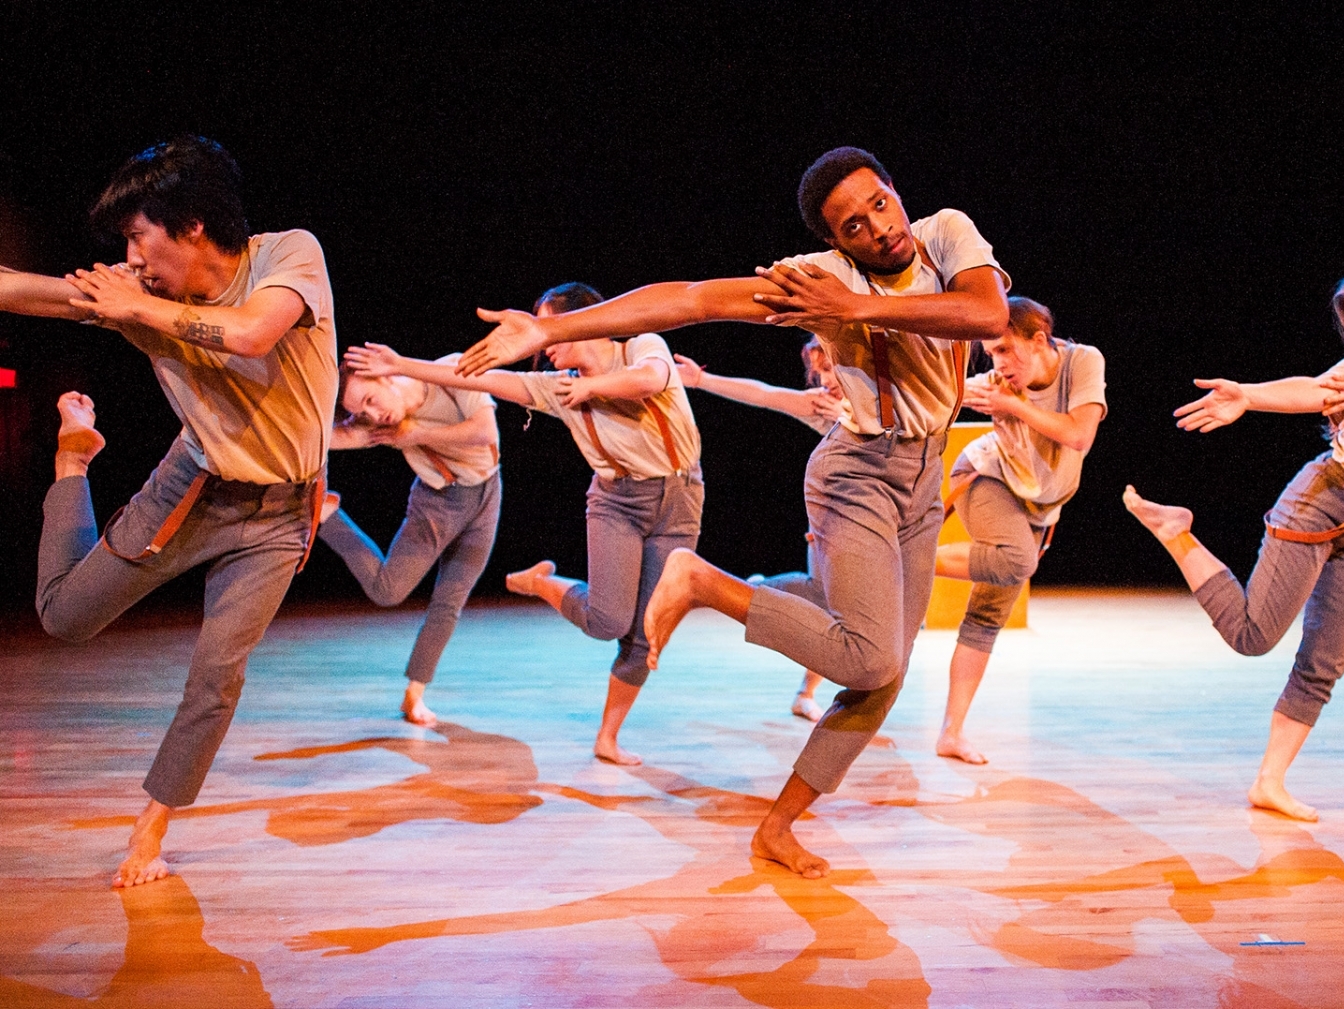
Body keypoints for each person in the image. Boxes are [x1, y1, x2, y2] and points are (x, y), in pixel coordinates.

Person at [454, 147, 1011, 877]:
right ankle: (700, 582)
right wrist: (554, 331)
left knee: (886, 674)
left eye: (880, 204)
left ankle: (777, 827)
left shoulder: (946, 234)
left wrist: (855, 311)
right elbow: (691, 299)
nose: (878, 228)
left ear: (895, 192)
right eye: (853, 225)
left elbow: (986, 312)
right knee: (871, 656)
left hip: (923, 476)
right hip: (858, 474)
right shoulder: (818, 281)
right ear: (834, 241)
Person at [0, 137, 337, 886]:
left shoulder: (288, 255)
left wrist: (138, 307)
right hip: (192, 485)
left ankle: (150, 827)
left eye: (137, 236)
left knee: (217, 674)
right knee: (64, 618)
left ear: (191, 224)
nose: (130, 259)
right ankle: (73, 459)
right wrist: (129, 303)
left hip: (281, 513)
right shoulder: (136, 293)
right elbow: (24, 290)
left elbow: (253, 332)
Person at [1124, 260, 1344, 821]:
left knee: (1325, 662)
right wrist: (1248, 396)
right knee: (1252, 636)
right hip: (1324, 497)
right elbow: (1312, 391)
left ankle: (1269, 782)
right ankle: (1177, 534)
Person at [346, 282, 702, 765]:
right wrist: (401, 365)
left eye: (550, 327)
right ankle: (541, 583)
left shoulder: (640, 346)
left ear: (586, 319)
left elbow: (651, 380)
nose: (544, 341)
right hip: (617, 502)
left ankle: (608, 738)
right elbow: (482, 380)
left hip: (681, 497)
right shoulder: (557, 387)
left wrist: (592, 388)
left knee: (648, 633)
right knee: (607, 623)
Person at [932, 297, 1106, 764]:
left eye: (1007, 350)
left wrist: (1012, 405)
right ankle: (909, 559)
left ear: (1039, 339)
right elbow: (935, 388)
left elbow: (1079, 434)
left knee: (988, 615)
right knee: (1015, 561)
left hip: (1040, 504)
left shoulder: (1082, 362)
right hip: (984, 476)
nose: (1000, 364)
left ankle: (951, 733)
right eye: (992, 354)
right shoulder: (996, 385)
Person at [321, 352, 502, 726]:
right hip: (437, 503)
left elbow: (486, 430)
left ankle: (415, 695)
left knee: (450, 601)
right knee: (387, 591)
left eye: (371, 400)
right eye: (362, 412)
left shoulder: (450, 372)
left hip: (486, 495)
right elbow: (334, 438)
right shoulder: (386, 424)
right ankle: (328, 515)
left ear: (386, 375)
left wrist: (417, 435)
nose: (374, 415)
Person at [673, 336, 845, 721]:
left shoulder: (879, 404)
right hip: (831, 520)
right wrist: (702, 380)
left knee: (835, 609)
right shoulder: (822, 406)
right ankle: (752, 593)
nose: (823, 381)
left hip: (872, 522)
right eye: (818, 372)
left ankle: (756, 590)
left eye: (829, 369)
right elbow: (764, 395)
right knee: (829, 605)